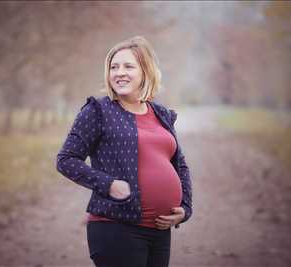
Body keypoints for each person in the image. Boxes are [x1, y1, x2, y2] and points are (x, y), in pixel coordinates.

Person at [56, 36, 192, 267]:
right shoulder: (97, 111)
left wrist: (185, 208)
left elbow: (179, 164)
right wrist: (108, 184)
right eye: (113, 67)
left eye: (128, 66)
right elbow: (66, 160)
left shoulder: (160, 113)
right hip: (116, 227)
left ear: (145, 72)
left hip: (160, 231)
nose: (119, 72)